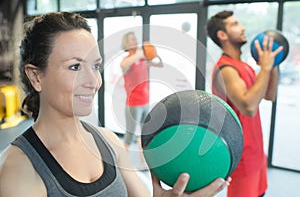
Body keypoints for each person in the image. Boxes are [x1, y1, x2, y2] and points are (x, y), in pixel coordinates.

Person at [0, 11, 230, 197]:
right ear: (36, 77)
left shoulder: (108, 141)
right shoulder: (18, 169)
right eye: (75, 66)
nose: (94, 81)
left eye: (96, 66)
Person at [207, 10, 283, 197]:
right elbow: (248, 107)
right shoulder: (226, 70)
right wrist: (264, 67)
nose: (242, 28)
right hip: (242, 159)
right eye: (234, 24)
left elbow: (269, 95)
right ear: (222, 35)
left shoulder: (245, 66)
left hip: (257, 154)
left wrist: (272, 65)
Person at [120, 32, 163, 151]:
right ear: (126, 43)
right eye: (131, 40)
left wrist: (154, 53)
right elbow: (124, 65)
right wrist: (140, 54)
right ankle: (120, 162)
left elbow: (160, 64)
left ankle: (143, 161)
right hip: (133, 103)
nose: (134, 42)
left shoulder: (143, 59)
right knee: (130, 135)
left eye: (135, 39)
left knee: (144, 134)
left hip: (145, 101)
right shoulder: (126, 61)